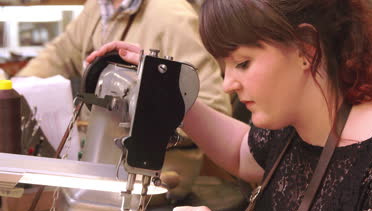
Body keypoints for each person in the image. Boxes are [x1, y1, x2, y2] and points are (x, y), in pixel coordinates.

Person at [87, 0, 372, 211]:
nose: (227, 84)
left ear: (305, 50)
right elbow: (244, 151)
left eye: (242, 63)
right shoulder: (292, 129)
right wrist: (168, 92)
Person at [16, 0, 232, 200]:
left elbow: (214, 106)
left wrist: (144, 120)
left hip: (155, 176)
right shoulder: (99, 7)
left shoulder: (173, 16)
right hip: (101, 164)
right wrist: (13, 86)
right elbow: (58, 54)